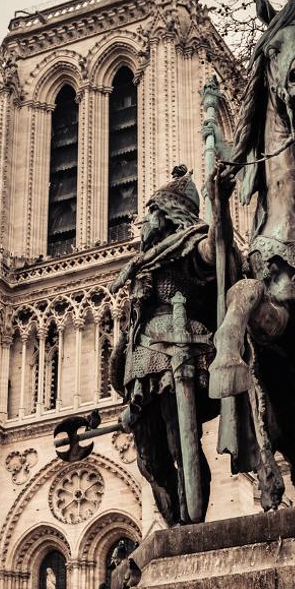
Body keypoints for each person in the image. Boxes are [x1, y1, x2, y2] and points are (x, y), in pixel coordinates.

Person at [108, 165, 220, 525]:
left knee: (181, 440)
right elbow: (131, 322)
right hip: (142, 360)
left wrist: (222, 211)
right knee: (150, 457)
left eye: (154, 210)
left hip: (179, 350)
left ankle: (193, 523)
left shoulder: (191, 245)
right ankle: (175, 527)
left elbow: (215, 257)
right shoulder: (142, 265)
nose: (147, 218)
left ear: (170, 213)